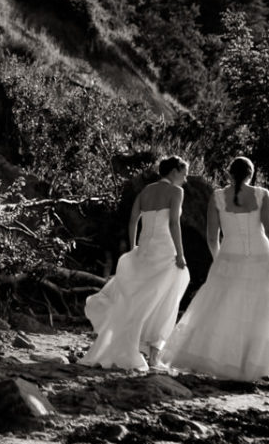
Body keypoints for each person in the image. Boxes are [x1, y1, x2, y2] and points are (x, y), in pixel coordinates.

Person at [164, 155, 269, 382]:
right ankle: (253, 366)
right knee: (258, 313)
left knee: (224, 309)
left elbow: (212, 236)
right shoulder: (262, 195)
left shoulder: (218, 197)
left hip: (229, 258)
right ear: (251, 174)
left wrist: (219, 260)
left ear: (229, 173)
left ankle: (219, 360)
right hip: (262, 259)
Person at [81, 156, 193, 371]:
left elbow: (133, 220)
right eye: (184, 173)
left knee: (141, 298)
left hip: (144, 251)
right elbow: (173, 223)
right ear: (174, 171)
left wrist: (133, 249)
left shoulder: (145, 191)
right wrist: (180, 254)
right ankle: (153, 355)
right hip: (165, 251)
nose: (186, 179)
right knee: (166, 301)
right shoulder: (176, 192)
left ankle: (141, 347)